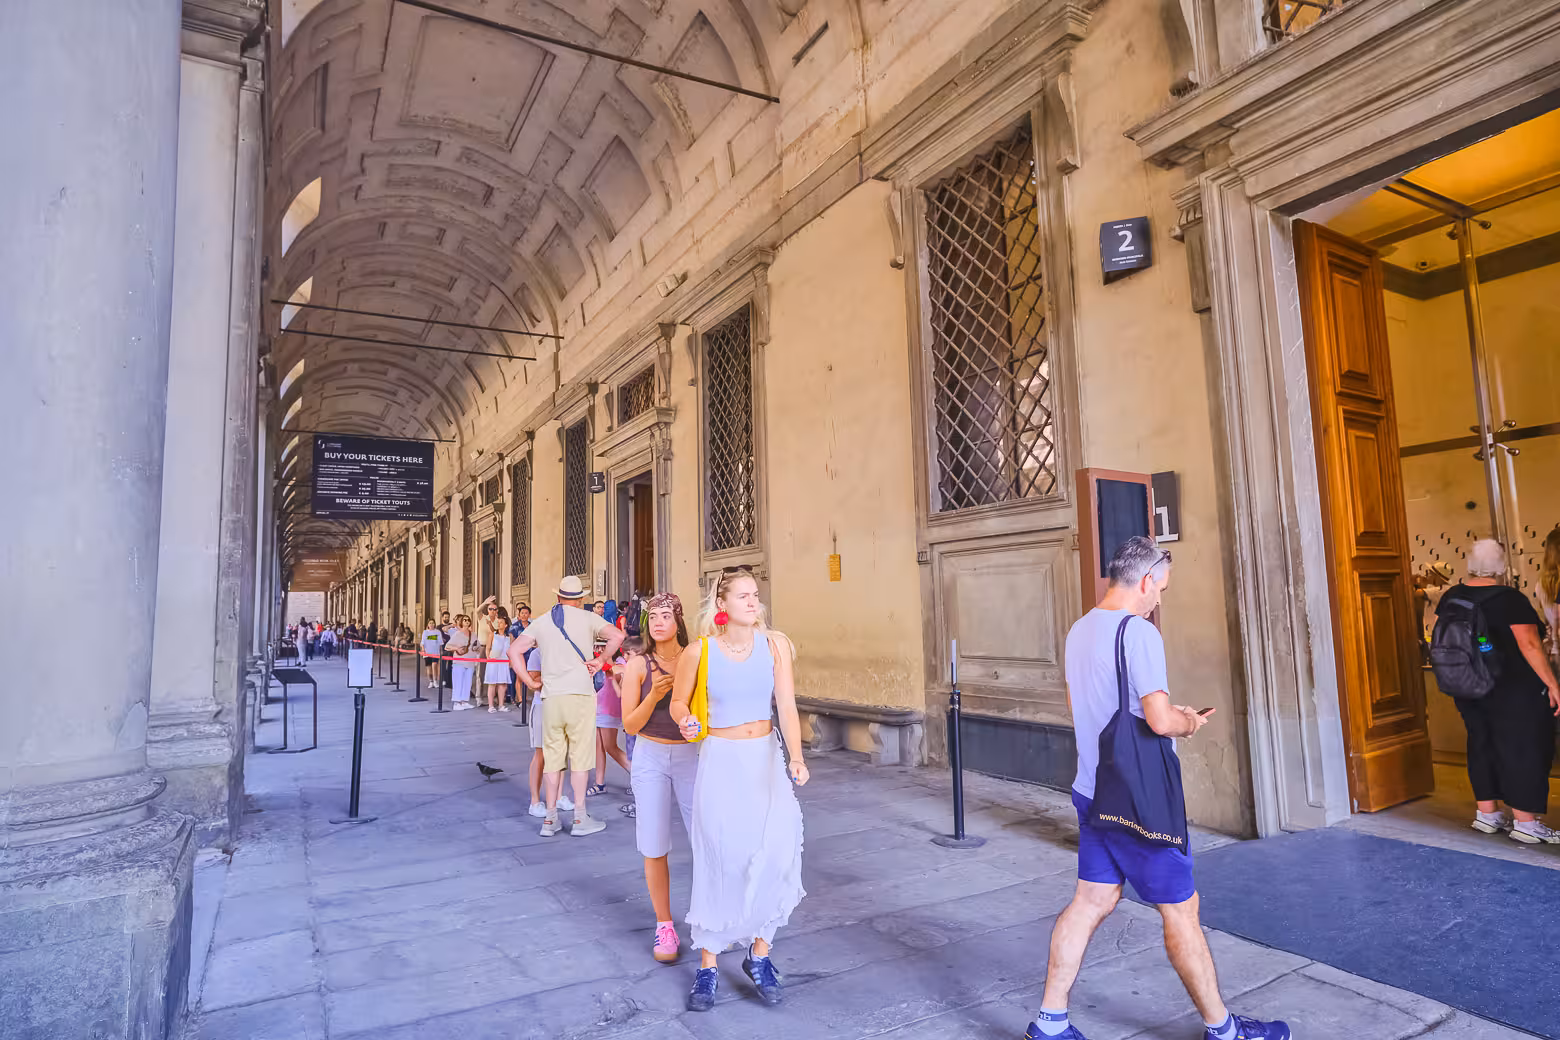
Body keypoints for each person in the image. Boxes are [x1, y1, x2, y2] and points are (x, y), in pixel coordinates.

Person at [1028, 536, 1287, 1040]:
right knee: (1181, 910)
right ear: (1146, 580)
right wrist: (1189, 721)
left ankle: (1051, 1022)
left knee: (1092, 900)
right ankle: (1225, 1031)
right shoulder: (1138, 634)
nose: (1159, 599)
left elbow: (1080, 705)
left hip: (1092, 787)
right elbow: (1158, 718)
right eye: (1161, 588)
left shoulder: (1079, 629)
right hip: (1138, 800)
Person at [670, 567, 806, 1013]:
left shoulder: (776, 646)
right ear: (722, 604)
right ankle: (708, 965)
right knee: (720, 857)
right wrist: (684, 720)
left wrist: (798, 757)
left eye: (755, 595)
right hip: (721, 760)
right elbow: (678, 701)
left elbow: (786, 704)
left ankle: (759, 955)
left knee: (776, 852)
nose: (754, 602)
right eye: (743, 596)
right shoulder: (700, 650)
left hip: (765, 758)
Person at [1439, 539, 1560, 844]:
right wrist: (1552, 683)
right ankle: (1526, 823)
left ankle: (1488, 814)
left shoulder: (1452, 596)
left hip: (1467, 685)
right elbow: (1530, 645)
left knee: (1481, 742)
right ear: (1502, 567)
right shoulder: (1510, 599)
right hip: (1511, 687)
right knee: (1522, 747)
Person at [512, 575, 624, 837]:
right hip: (581, 697)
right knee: (580, 758)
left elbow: (514, 650)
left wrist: (529, 681)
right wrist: (603, 660)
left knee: (552, 759)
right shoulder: (588, 618)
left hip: (551, 698)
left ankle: (550, 819)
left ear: (558, 597)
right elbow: (617, 635)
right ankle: (580, 818)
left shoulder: (541, 621)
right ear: (581, 598)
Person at [619, 593, 694, 964]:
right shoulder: (638, 665)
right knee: (653, 841)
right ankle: (664, 923)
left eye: (667, 615)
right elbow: (629, 724)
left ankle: (711, 915)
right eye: (653, 617)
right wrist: (655, 697)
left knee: (706, 834)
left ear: (679, 620)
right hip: (649, 754)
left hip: (691, 755)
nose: (659, 622)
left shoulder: (696, 656)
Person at [588, 645, 633, 796]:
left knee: (610, 747)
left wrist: (608, 666)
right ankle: (599, 783)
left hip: (609, 709)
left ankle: (638, 777)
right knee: (599, 746)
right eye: (597, 646)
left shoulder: (620, 663)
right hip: (598, 707)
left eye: (603, 647)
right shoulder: (600, 663)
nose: (599, 650)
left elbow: (620, 672)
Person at [484, 608, 513, 713]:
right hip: (494, 661)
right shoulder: (493, 634)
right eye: (498, 622)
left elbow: (511, 650)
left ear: (506, 625)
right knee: (492, 683)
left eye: (501, 622)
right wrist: (488, 658)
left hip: (504, 661)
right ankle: (491, 706)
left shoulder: (509, 637)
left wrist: (511, 661)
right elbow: (487, 648)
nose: (499, 624)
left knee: (502, 684)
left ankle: (501, 705)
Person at [448, 615, 478, 710]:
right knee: (458, 681)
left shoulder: (473, 634)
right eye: (465, 620)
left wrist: (476, 648)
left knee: (467, 681)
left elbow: (477, 646)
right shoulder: (457, 634)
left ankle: (464, 701)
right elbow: (447, 646)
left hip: (470, 660)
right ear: (461, 622)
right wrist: (457, 648)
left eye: (468, 620)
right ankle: (457, 702)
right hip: (459, 661)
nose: (467, 621)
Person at [419, 619, 442, 689]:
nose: (431, 624)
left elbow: (440, 642)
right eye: (430, 623)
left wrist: (441, 651)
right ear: (428, 625)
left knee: (434, 665)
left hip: (435, 652)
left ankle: (435, 681)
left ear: (434, 624)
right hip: (427, 652)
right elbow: (422, 642)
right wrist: (423, 649)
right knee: (429, 668)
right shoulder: (425, 632)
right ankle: (431, 681)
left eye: (433, 623)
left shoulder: (438, 632)